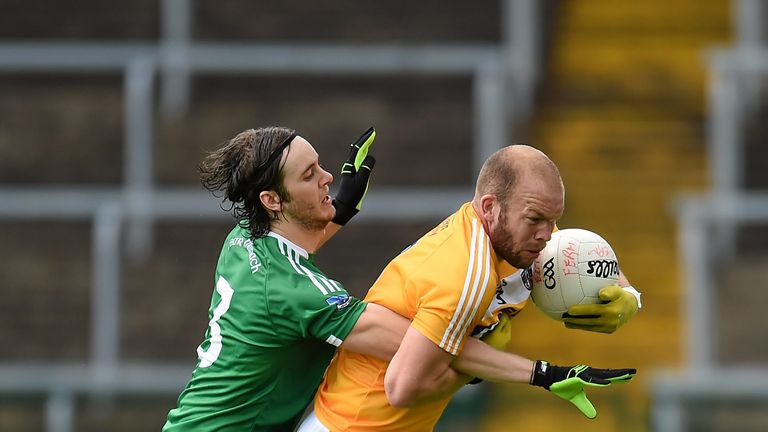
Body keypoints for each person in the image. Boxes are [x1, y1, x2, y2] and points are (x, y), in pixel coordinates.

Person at [299, 144, 641, 432]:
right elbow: (401, 388)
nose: (548, 234)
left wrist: (628, 295)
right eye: (536, 219)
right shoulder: (464, 276)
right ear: (491, 207)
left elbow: (581, 255)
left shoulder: (519, 234)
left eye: (553, 220)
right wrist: (473, 373)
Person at [162, 126, 409, 431]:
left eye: (318, 165)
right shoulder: (295, 292)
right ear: (271, 200)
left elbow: (299, 243)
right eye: (309, 175)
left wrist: (341, 208)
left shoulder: (242, 239)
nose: (327, 177)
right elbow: (415, 344)